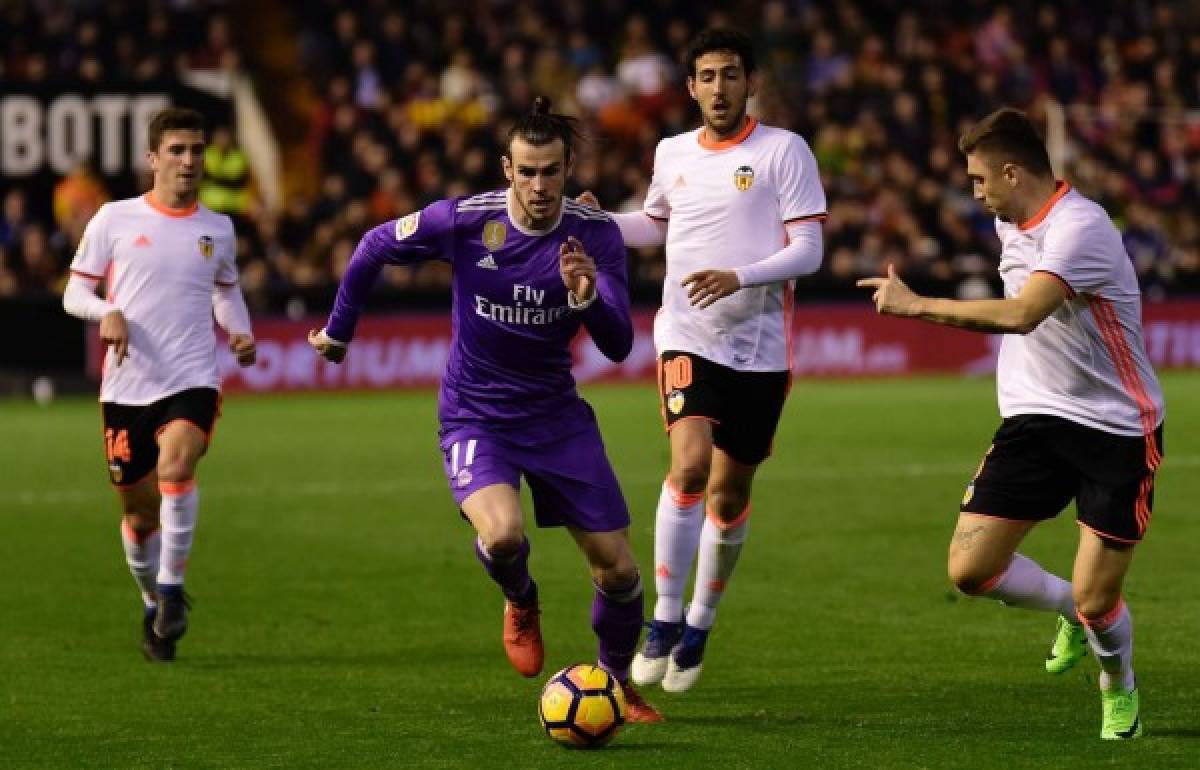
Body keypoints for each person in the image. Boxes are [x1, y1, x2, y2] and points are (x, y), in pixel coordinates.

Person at [308, 97, 662, 722]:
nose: (539, 185)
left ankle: (612, 683)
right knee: (501, 534)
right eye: (526, 171)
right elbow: (371, 246)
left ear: (568, 167)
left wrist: (586, 298)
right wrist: (339, 330)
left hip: (556, 417)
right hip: (476, 415)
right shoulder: (466, 222)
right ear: (507, 168)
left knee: (620, 570)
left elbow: (618, 342)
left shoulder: (596, 234)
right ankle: (520, 597)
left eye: (551, 171)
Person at [858, 107, 1164, 740]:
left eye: (978, 180)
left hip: (1114, 429)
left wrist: (917, 306)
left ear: (1011, 171)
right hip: (1034, 419)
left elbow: (1024, 313)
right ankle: (1068, 614)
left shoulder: (1080, 229)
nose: (974, 193)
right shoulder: (1014, 223)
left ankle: (1119, 692)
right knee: (971, 572)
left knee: (1099, 598)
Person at [579, 28, 827, 692]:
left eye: (730, 74)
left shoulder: (784, 151)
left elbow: (810, 251)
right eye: (707, 76)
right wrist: (599, 224)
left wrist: (740, 276)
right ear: (690, 87)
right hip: (688, 334)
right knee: (688, 466)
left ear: (750, 83)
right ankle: (661, 617)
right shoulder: (672, 152)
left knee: (729, 491)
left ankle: (700, 620)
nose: (719, 87)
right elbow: (656, 224)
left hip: (761, 349)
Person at [63, 107, 258, 662]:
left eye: (196, 150)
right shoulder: (113, 219)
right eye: (177, 150)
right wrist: (107, 312)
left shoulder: (217, 228)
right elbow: (73, 293)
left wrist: (238, 331)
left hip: (192, 378)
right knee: (138, 515)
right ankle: (152, 596)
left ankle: (172, 592)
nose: (189, 160)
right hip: (126, 388)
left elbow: (226, 290)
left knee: (177, 466)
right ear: (153, 158)